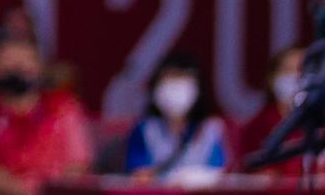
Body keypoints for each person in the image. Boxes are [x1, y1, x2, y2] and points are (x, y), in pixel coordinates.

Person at [0, 34, 92, 195]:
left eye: (25, 61)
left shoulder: (63, 107)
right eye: (8, 62)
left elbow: (76, 165)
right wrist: (27, 192)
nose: (18, 68)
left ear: (40, 66)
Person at [124, 51, 228, 181]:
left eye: (183, 80)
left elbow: (219, 173)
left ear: (198, 89)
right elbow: (138, 174)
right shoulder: (145, 130)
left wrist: (194, 178)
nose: (175, 89)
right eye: (169, 80)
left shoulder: (211, 130)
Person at [235, 44, 310, 177]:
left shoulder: (318, 123)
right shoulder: (258, 126)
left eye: (302, 70)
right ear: (271, 78)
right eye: (288, 70)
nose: (296, 77)